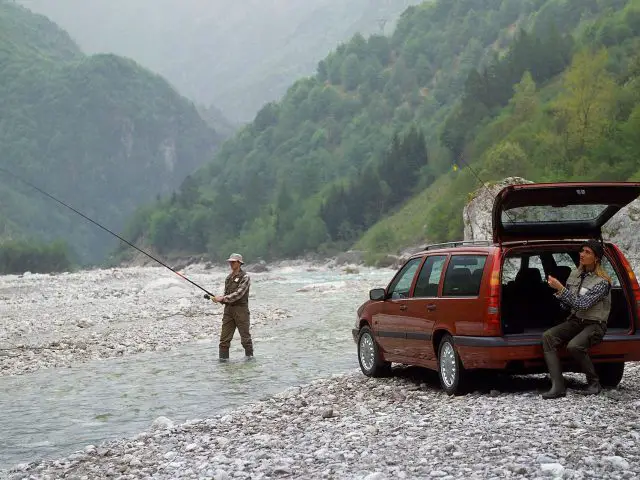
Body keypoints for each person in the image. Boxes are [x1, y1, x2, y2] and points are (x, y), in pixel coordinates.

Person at [541, 239, 612, 399]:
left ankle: (594, 383)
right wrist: (558, 298)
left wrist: (560, 288)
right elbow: (569, 304)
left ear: (596, 258)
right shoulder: (575, 274)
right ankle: (558, 386)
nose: (582, 254)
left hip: (595, 324)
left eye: (587, 252)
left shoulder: (602, 282)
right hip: (576, 320)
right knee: (548, 337)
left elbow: (582, 304)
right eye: (582, 251)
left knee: (574, 346)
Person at [205, 253, 253, 361]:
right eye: (230, 262)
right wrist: (217, 299)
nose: (231, 264)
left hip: (241, 311)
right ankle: (223, 364)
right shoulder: (228, 278)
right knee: (224, 341)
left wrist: (222, 298)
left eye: (233, 262)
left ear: (239, 263)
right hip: (228, 311)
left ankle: (250, 361)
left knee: (245, 339)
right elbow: (227, 296)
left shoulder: (245, 277)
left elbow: (238, 294)